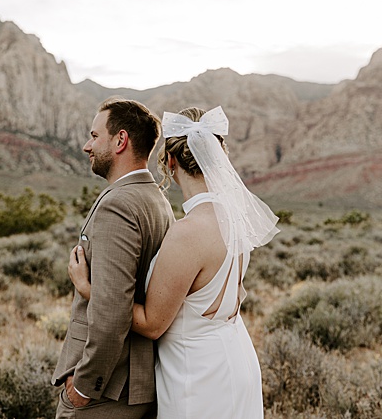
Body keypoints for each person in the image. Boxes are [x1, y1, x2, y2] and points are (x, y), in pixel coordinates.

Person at [69, 106, 273, 418]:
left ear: (170, 161)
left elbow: (152, 324)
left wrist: (88, 290)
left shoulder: (188, 233)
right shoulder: (233, 221)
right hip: (234, 356)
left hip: (198, 371)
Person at [56, 100, 173, 416]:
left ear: (121, 140)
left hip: (106, 391)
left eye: (94, 136)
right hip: (136, 382)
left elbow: (111, 311)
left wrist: (84, 385)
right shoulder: (157, 200)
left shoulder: (118, 205)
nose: (86, 146)